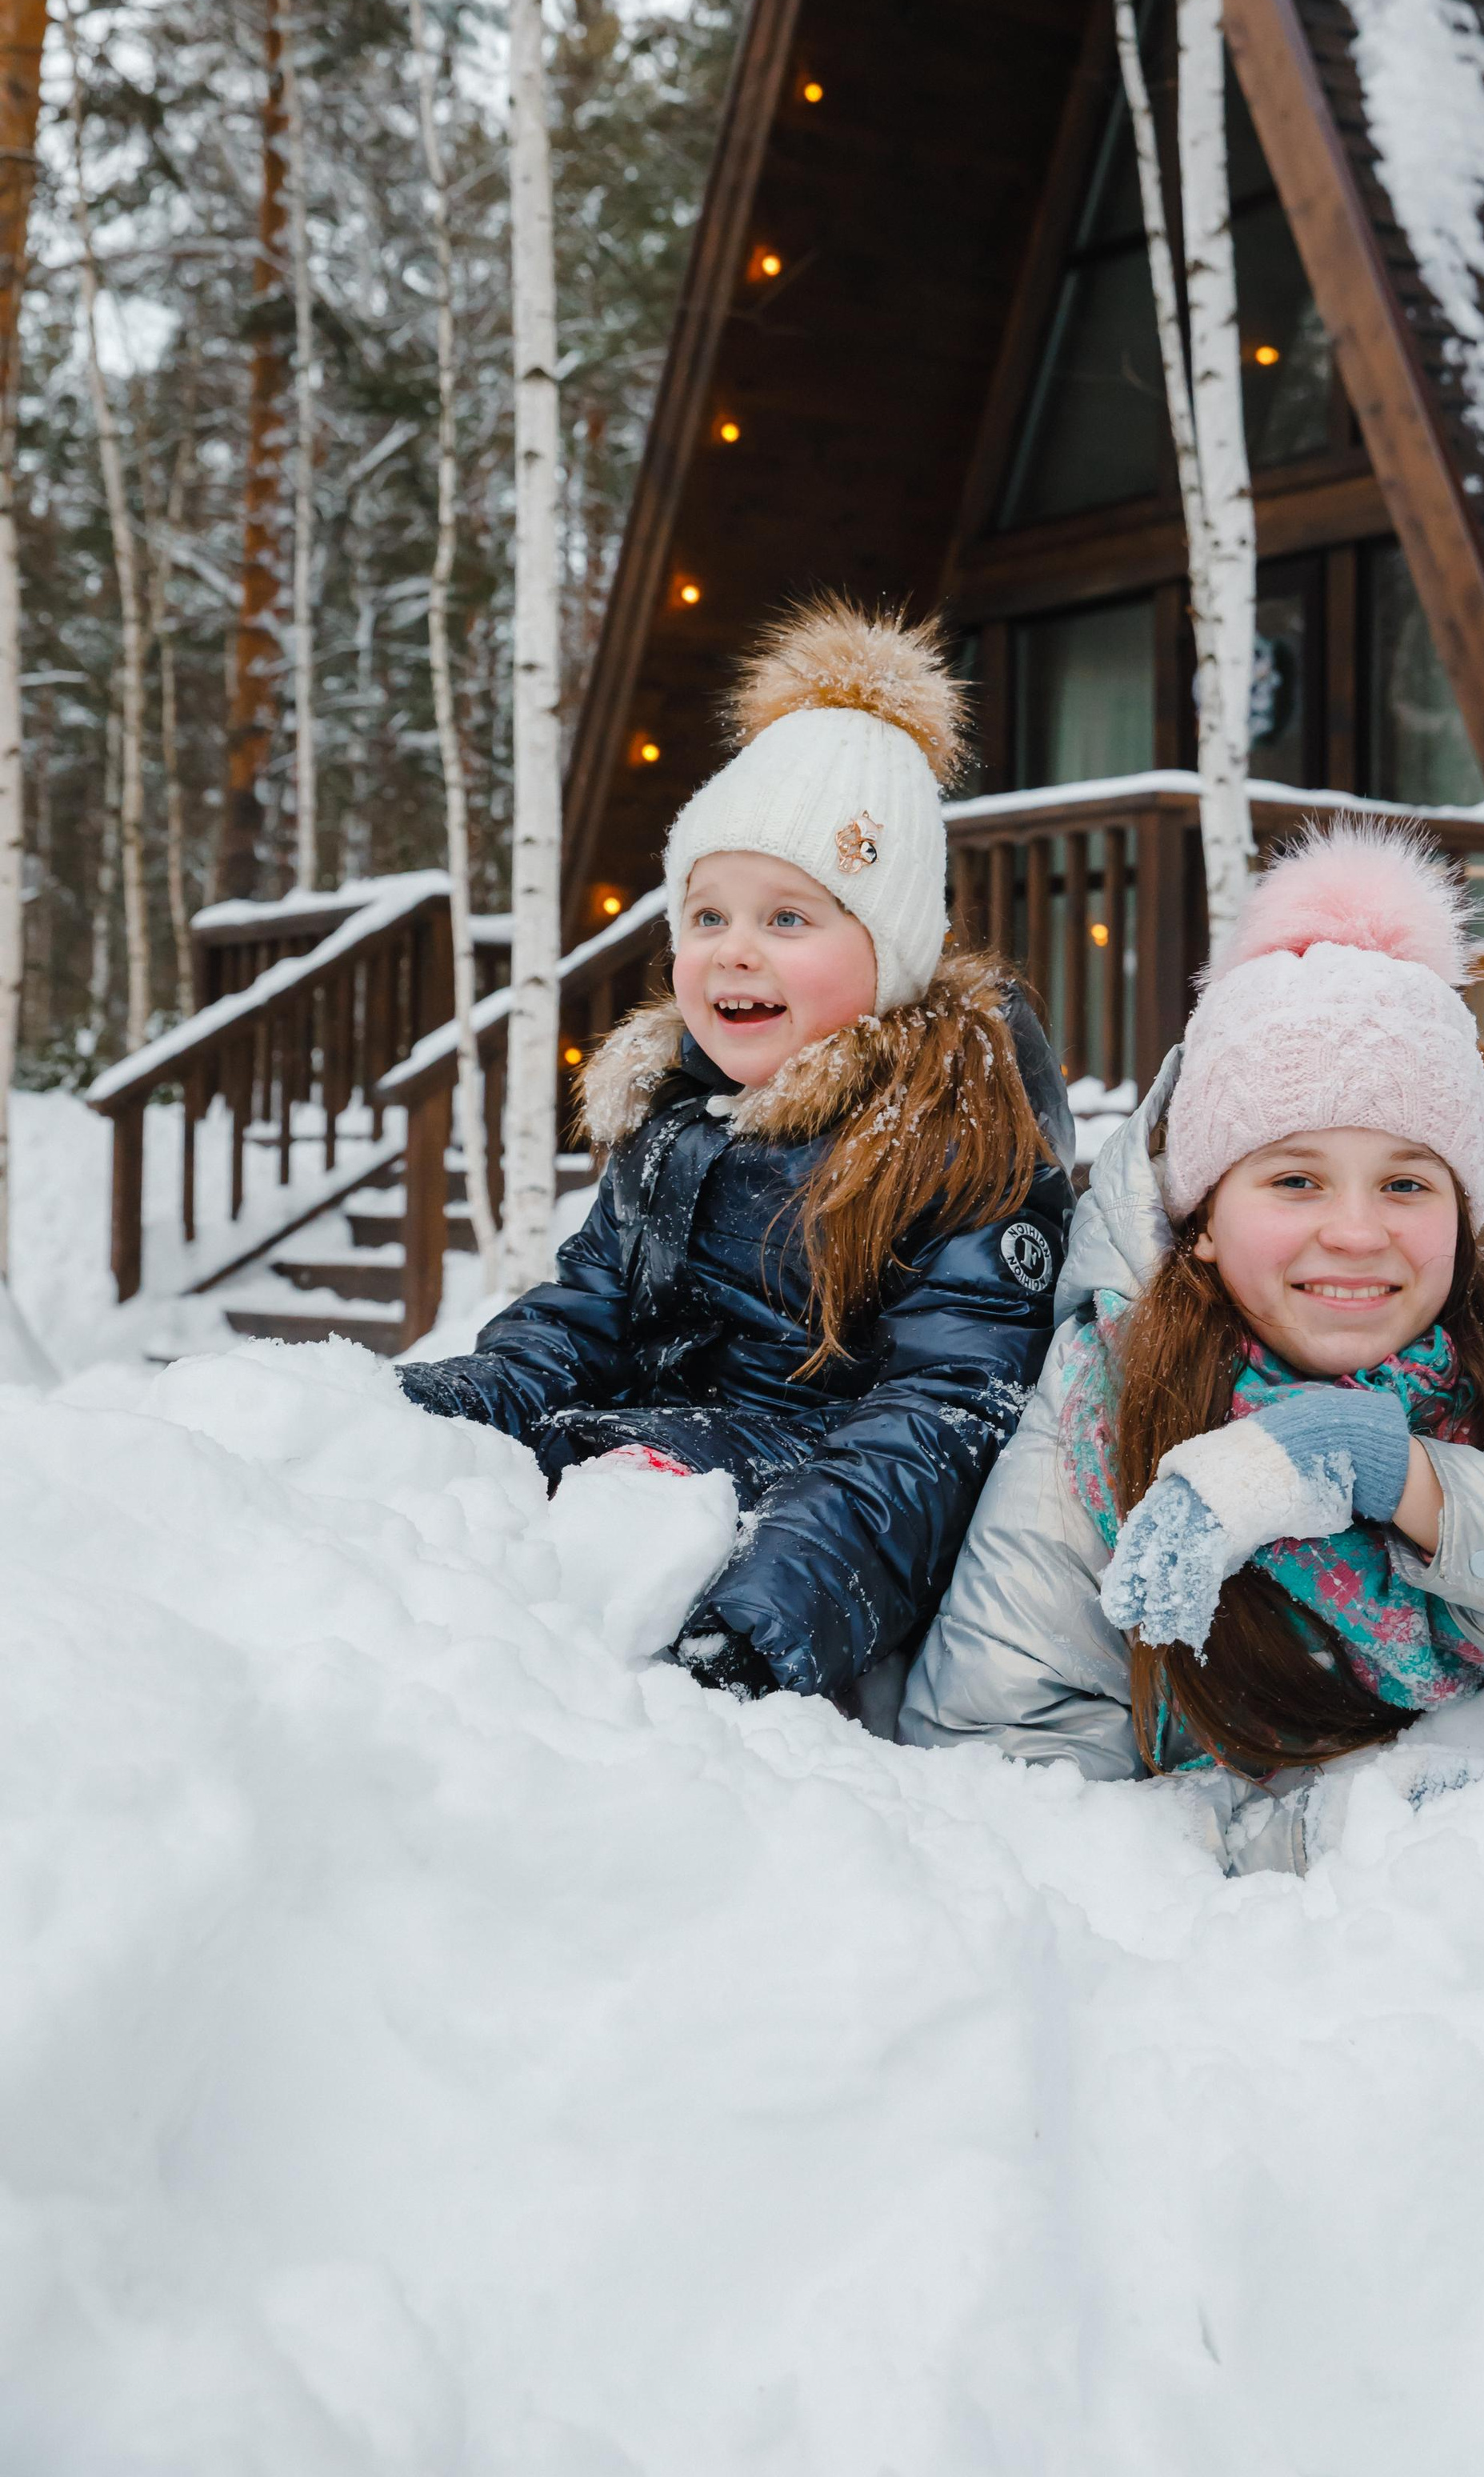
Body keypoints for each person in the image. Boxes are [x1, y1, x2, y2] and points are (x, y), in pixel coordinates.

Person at [900, 818, 1484, 1867]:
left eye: (1406, 1182)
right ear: (1203, 1221)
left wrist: (1397, 1476)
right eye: (1295, 1179)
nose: (1356, 1231)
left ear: (1461, 1215)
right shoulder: (1108, 1391)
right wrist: (1316, 1837)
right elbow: (998, 1757)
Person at [401, 602, 1074, 1707]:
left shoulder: (956, 1146)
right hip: (651, 1460)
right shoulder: (676, 1119)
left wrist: (769, 1610)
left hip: (815, 1544)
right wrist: (439, 1415)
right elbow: (583, 1317)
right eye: (706, 915)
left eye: (789, 919)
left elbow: (945, 1415)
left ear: (890, 953)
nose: (734, 952)